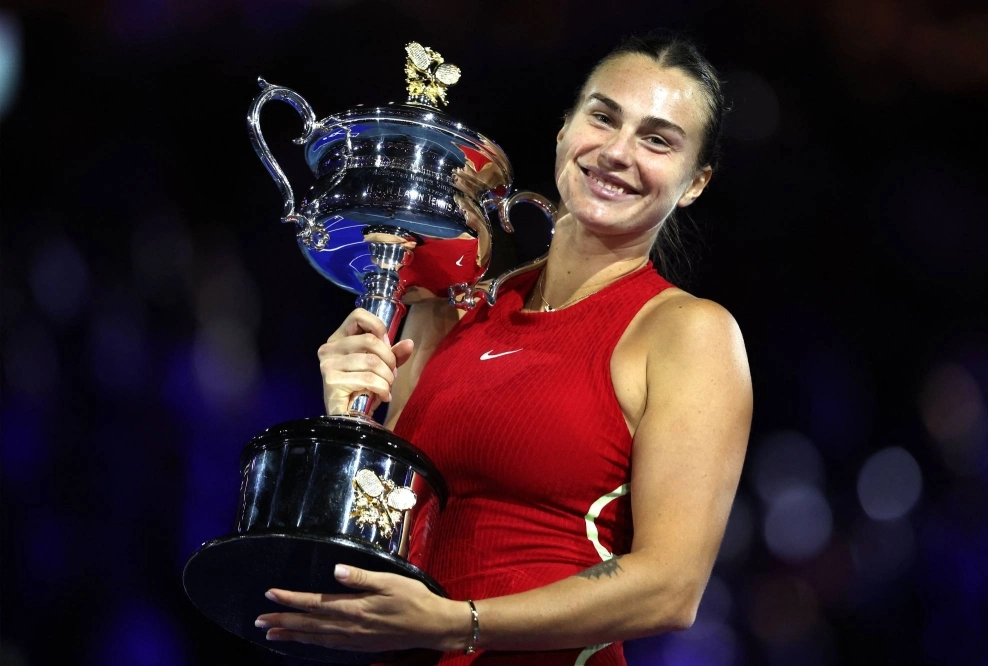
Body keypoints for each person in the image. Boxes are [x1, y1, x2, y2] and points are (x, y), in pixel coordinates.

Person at [253, 32, 753, 665]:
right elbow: (389, 518)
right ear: (564, 131)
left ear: (694, 183)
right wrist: (348, 416)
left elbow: (670, 588)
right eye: (602, 117)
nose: (617, 152)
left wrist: (460, 623)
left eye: (657, 140)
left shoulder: (688, 333)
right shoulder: (446, 309)